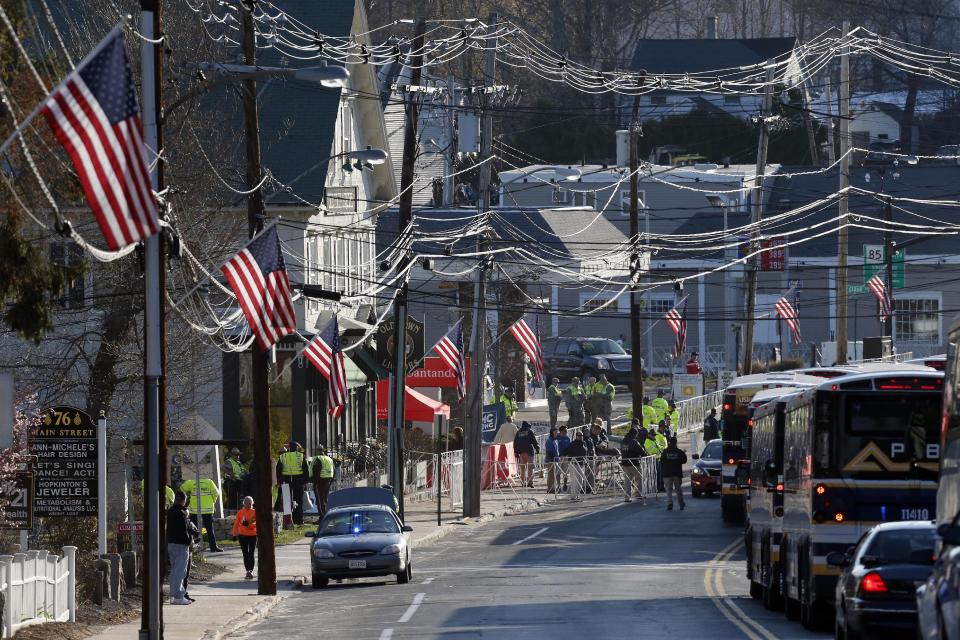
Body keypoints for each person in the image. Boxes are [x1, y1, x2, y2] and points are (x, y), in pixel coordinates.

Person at [180, 476, 223, 552]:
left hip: (194, 510)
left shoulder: (192, 482)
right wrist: (212, 502)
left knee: (193, 530)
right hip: (207, 510)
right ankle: (213, 547)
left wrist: (187, 498)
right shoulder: (209, 482)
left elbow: (182, 489)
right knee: (209, 529)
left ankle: (194, 548)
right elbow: (216, 493)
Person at [166, 491, 193, 605]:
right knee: (180, 572)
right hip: (181, 545)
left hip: (171, 544)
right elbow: (183, 530)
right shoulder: (181, 513)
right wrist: (189, 542)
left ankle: (172, 595)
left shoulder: (170, 511)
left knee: (174, 571)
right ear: (184, 500)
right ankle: (178, 596)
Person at [276, 442, 308, 525]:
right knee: (298, 501)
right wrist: (304, 481)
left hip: (286, 480)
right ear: (297, 447)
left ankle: (288, 521)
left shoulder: (283, 456)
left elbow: (278, 469)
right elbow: (306, 469)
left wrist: (280, 481)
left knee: (287, 501)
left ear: (289, 448)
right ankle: (299, 520)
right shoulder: (301, 456)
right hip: (298, 480)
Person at [231, 496, 257, 579]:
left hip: (253, 535)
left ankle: (251, 571)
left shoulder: (254, 512)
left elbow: (256, 524)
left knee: (251, 553)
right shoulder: (240, 512)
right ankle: (247, 571)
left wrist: (248, 525)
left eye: (250, 503)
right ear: (244, 503)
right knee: (245, 554)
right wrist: (234, 535)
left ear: (252, 503)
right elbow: (236, 524)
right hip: (242, 536)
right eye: (246, 503)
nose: (248, 505)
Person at [661, 436, 688, 510]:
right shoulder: (679, 451)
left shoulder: (665, 451)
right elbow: (684, 460)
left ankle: (670, 503)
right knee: (678, 489)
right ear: (676, 443)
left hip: (667, 473)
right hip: (677, 473)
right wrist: (683, 453)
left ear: (669, 442)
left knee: (668, 490)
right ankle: (681, 503)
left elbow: (662, 461)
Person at [620, 426, 646, 502]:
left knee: (627, 481)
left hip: (625, 463)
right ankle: (638, 494)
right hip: (634, 463)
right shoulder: (634, 441)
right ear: (635, 434)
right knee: (639, 478)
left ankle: (627, 497)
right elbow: (641, 451)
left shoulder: (623, 441)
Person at [563, 430, 589, 501]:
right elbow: (566, 451)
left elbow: (586, 453)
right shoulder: (573, 444)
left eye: (582, 435)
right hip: (574, 464)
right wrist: (563, 456)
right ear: (576, 436)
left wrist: (586, 461)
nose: (581, 437)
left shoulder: (584, 443)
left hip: (582, 464)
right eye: (579, 435)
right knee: (575, 480)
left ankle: (577, 495)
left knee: (581, 480)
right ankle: (573, 496)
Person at [513, 421, 540, 487]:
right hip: (529, 452)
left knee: (522, 469)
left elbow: (515, 443)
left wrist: (516, 452)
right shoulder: (529, 431)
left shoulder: (518, 432)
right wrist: (537, 448)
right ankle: (530, 482)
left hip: (521, 453)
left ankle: (522, 482)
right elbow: (534, 441)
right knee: (530, 468)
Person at [312, 446, 335, 518]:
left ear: (318, 451)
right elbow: (333, 471)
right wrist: (330, 482)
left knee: (320, 500)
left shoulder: (318, 459)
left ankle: (322, 518)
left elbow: (316, 471)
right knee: (324, 500)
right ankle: (325, 516)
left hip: (319, 482)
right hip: (327, 482)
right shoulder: (329, 459)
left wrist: (315, 482)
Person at [544, 427, 562, 493]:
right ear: (551, 433)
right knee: (551, 475)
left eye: (556, 432)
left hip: (555, 460)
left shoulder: (555, 440)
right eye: (554, 433)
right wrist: (554, 458)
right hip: (551, 460)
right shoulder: (549, 441)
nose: (556, 434)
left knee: (554, 475)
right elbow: (550, 451)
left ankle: (553, 487)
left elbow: (556, 450)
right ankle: (550, 488)